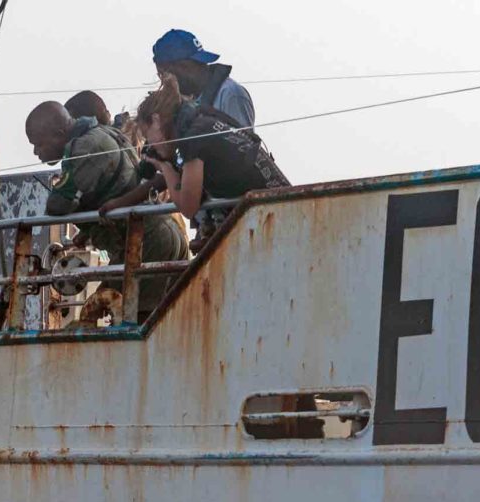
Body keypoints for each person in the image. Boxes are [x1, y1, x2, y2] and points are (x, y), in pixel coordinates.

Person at [25, 100, 189, 322]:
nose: (36, 152)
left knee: (136, 322)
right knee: (100, 309)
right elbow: (116, 189)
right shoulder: (105, 133)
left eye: (39, 144)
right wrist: (90, 229)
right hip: (159, 236)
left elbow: (58, 206)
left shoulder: (84, 147)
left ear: (59, 132)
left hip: (146, 244)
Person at [134, 74, 290, 238]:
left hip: (275, 215)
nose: (149, 144)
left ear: (156, 120)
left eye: (146, 134)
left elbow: (188, 207)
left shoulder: (191, 137)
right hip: (281, 203)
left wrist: (166, 169)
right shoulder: (200, 119)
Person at [151, 29, 254, 129]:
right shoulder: (183, 103)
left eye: (201, 62)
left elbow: (246, 144)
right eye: (197, 63)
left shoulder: (231, 94)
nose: (204, 67)